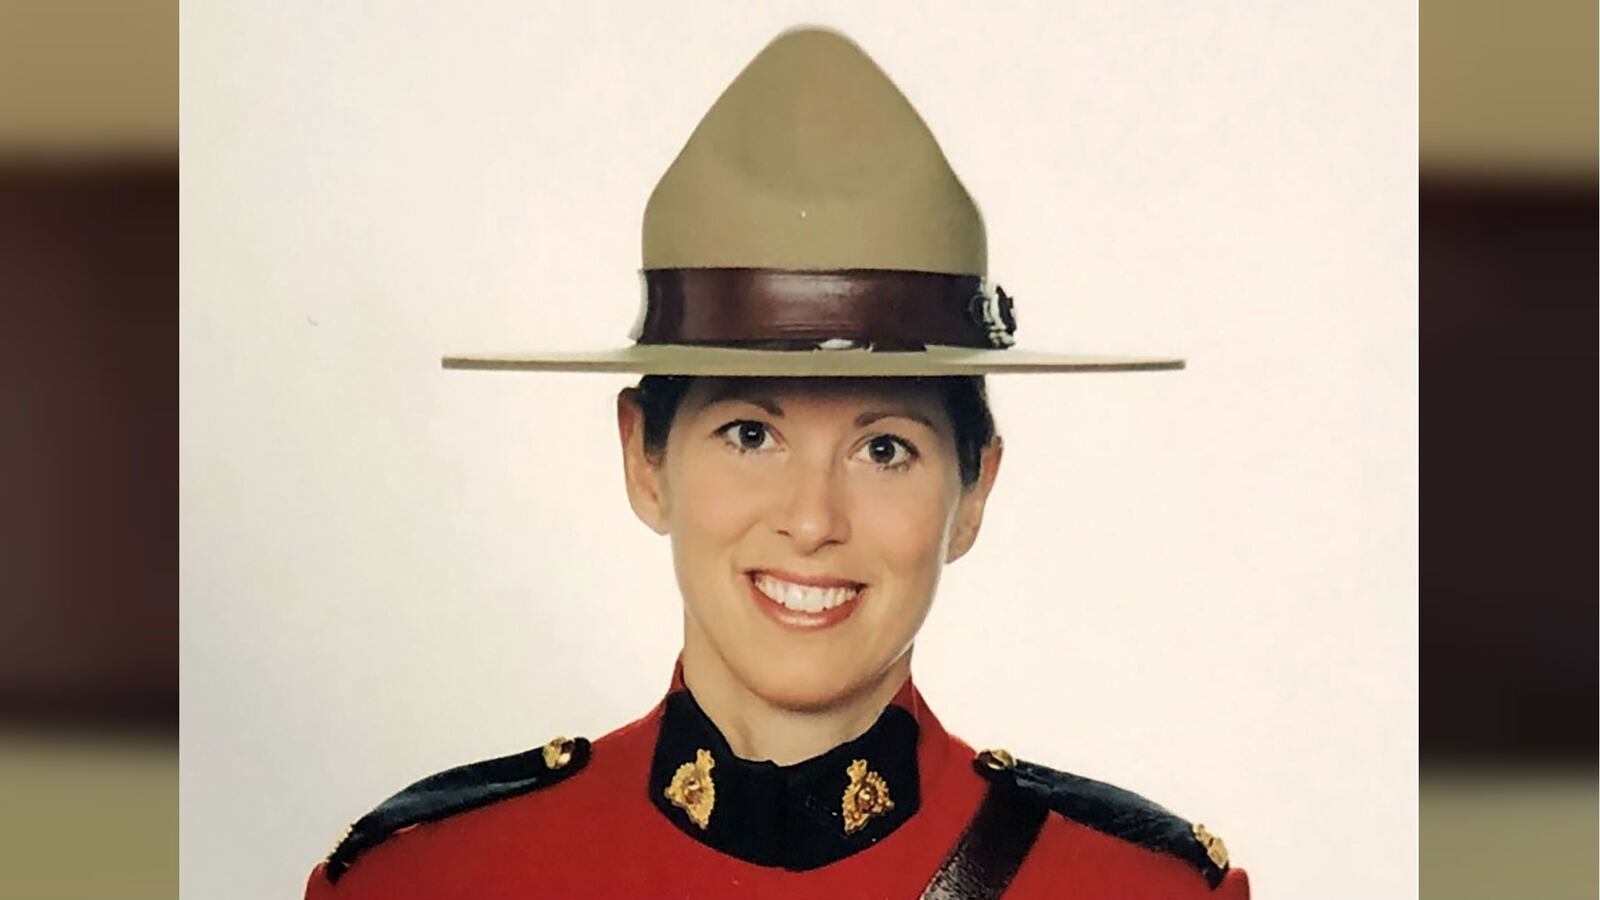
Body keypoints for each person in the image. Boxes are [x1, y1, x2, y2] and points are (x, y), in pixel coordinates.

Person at [304, 26, 1250, 899]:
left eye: (886, 449)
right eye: (751, 434)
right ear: (645, 458)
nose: (810, 519)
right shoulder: (432, 880)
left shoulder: (1129, 888)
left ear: (974, 492)